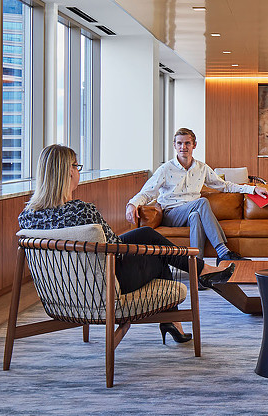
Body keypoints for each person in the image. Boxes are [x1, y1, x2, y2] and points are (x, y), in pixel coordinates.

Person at [18, 144, 234, 345]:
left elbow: (109, 244)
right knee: (158, 255)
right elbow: (115, 248)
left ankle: (190, 289)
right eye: (76, 166)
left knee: (146, 233)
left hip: (63, 289)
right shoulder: (82, 211)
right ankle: (193, 285)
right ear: (67, 172)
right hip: (107, 283)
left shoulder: (26, 218)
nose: (79, 171)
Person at [125, 128, 268, 262]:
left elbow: (224, 186)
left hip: (191, 213)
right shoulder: (165, 169)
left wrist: (252, 189)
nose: (183, 147)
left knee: (195, 216)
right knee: (201, 202)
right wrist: (132, 204)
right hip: (171, 214)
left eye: (187, 143)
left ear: (194, 145)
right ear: (174, 145)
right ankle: (223, 252)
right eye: (180, 143)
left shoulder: (202, 168)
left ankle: (197, 267)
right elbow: (147, 192)